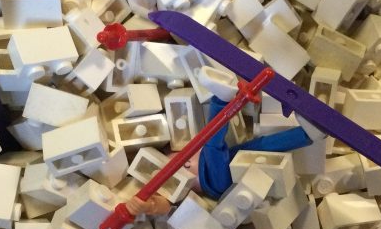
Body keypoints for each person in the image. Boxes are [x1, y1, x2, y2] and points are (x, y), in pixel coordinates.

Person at [124, 66, 315, 216]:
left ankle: (305, 135)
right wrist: (148, 207)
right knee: (212, 144)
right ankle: (221, 100)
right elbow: (165, 205)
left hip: (223, 158)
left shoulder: (162, 149)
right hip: (213, 182)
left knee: (259, 146)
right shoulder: (153, 180)